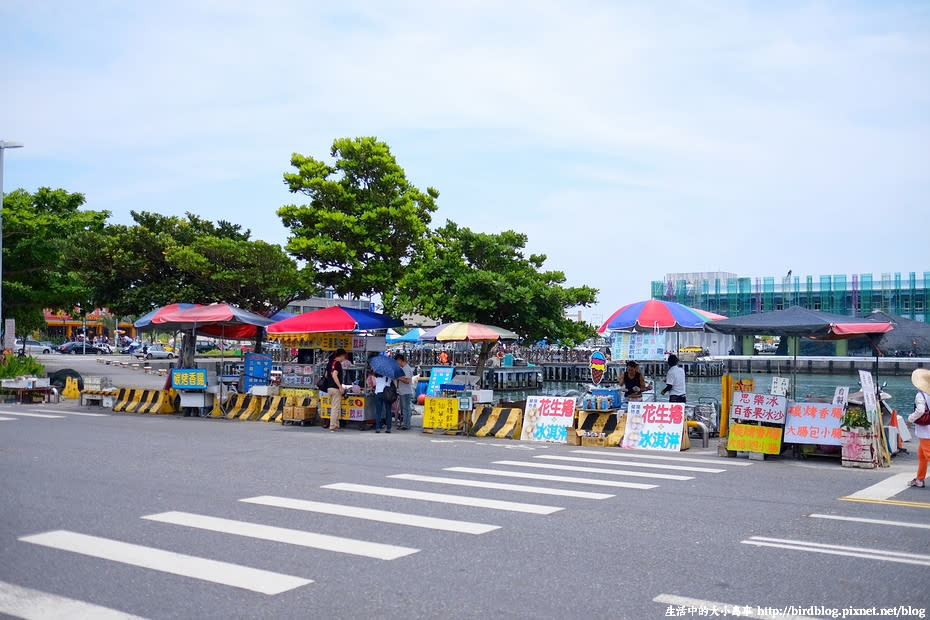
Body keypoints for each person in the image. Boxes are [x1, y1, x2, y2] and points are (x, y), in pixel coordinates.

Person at [907, 368, 930, 488]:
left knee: (928, 455)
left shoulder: (920, 395)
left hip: (926, 431)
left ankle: (920, 479)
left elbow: (920, 410)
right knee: (922, 455)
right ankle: (920, 479)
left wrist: (910, 419)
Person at [324, 348, 348, 432]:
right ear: (341, 356)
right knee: (335, 407)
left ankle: (336, 425)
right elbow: (334, 375)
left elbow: (326, 375)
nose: (344, 359)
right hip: (335, 388)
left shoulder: (330, 362)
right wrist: (340, 387)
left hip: (329, 388)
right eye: (344, 356)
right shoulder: (337, 364)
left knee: (335, 407)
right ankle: (333, 426)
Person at [395, 354, 415, 430]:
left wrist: (398, 378)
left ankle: (406, 425)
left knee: (406, 409)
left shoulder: (406, 368)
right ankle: (405, 424)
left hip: (406, 392)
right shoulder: (403, 368)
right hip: (402, 391)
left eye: (397, 362)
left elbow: (407, 381)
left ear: (400, 360)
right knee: (404, 409)